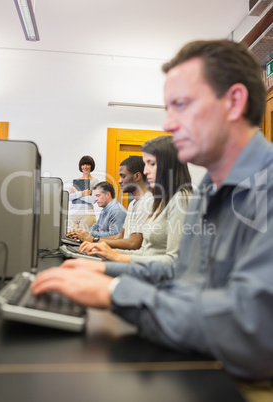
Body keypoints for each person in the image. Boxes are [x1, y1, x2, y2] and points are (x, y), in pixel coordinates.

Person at [32, 40, 273, 380]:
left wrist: (116, 292)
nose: (168, 125)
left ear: (233, 102)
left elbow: (252, 334)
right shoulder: (211, 188)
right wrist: (104, 274)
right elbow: (184, 276)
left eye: (180, 105)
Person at [80, 136, 191, 264]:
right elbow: (144, 252)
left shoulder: (180, 199)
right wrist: (104, 249)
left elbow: (173, 261)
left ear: (168, 165)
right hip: (145, 267)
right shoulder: (160, 201)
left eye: (152, 164)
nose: (145, 171)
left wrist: (103, 246)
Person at [69, 155, 153, 247]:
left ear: (137, 176)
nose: (119, 181)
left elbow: (133, 244)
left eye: (123, 176)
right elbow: (121, 236)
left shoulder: (146, 203)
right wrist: (87, 235)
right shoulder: (132, 204)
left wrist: (93, 239)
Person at [68, 155, 99, 230]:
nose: (85, 166)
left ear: (91, 166)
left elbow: (93, 200)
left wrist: (77, 194)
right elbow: (69, 197)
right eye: (83, 164)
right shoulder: (76, 181)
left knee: (85, 238)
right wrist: (82, 193)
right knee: (71, 237)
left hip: (87, 214)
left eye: (88, 164)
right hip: (73, 214)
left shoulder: (95, 181)